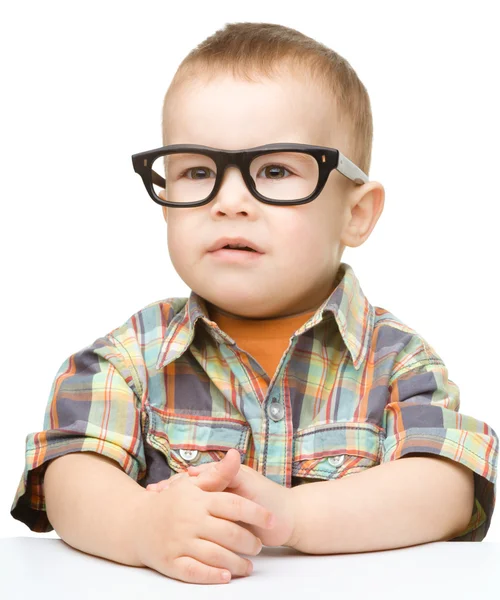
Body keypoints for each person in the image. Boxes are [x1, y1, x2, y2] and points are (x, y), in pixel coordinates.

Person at [10, 21, 498, 585]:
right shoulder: (128, 358)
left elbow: (449, 487)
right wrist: (140, 525)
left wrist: (291, 517)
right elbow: (71, 473)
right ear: (166, 206)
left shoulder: (396, 362)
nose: (230, 201)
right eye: (197, 172)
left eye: (275, 170)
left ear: (356, 213)